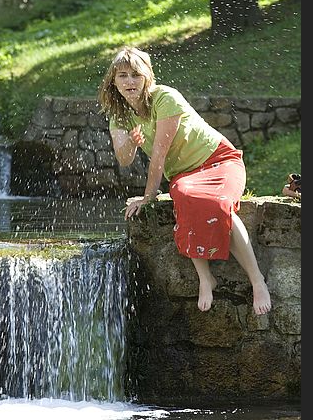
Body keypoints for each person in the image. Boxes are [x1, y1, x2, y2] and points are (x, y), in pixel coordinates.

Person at [98, 46, 271, 315]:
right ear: (114, 80)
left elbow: (159, 155)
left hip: (219, 161)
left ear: (147, 77)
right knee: (186, 197)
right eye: (122, 76)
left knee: (219, 204)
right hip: (184, 176)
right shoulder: (119, 115)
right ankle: (206, 278)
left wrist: (149, 197)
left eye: (136, 75)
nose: (129, 82)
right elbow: (123, 159)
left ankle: (257, 279)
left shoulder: (165, 98)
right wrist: (131, 142)